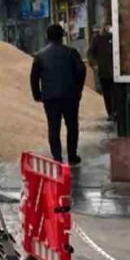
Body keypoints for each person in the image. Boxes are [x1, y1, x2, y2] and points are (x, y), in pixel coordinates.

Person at [30, 23, 87, 165]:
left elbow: (34, 77)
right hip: (70, 96)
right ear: (62, 36)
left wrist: (37, 95)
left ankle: (57, 158)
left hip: (50, 98)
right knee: (72, 126)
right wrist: (78, 89)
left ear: (47, 37)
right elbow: (81, 70)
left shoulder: (40, 56)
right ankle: (72, 156)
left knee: (53, 127)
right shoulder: (71, 52)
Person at [88, 25, 117, 123]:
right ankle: (110, 113)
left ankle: (116, 112)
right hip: (103, 72)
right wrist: (94, 64)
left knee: (116, 93)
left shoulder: (115, 37)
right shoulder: (97, 39)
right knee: (107, 93)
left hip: (116, 71)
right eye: (107, 26)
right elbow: (90, 53)